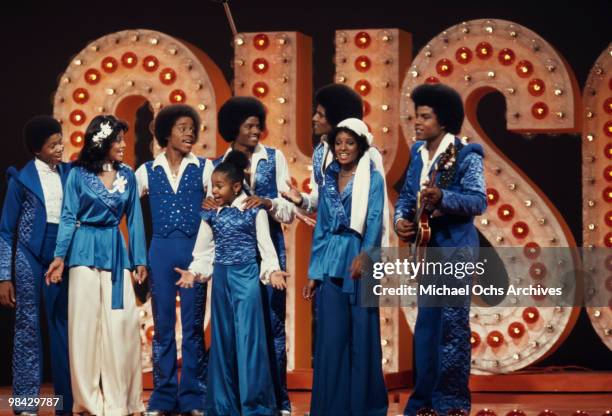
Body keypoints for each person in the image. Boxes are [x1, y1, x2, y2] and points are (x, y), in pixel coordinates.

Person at [394, 83, 487, 415]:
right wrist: (400, 222)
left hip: (457, 250)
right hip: (427, 249)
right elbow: (406, 199)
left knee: (452, 328)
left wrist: (444, 197)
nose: (417, 122)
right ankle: (423, 402)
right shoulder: (418, 153)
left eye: (425, 117)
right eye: (416, 116)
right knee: (427, 329)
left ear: (444, 121)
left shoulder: (465, 154)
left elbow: (479, 201)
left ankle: (451, 404)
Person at [46, 114, 148, 416]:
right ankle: (88, 403)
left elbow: (136, 221)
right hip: (83, 252)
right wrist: (60, 257)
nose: (123, 144)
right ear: (101, 141)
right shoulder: (77, 175)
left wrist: (139, 259)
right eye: (117, 139)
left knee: (122, 327)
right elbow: (67, 216)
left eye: (122, 138)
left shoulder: (128, 176)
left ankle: (122, 402)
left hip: (116, 253)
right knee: (85, 329)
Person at [176, 150, 289, 416]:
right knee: (224, 340)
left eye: (219, 186)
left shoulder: (253, 209)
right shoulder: (211, 213)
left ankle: (256, 405)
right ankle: (225, 405)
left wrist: (272, 270)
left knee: (249, 340)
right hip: (222, 279)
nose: (213, 191)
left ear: (236, 186)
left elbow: (265, 246)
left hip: (247, 277)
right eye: (211, 186)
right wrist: (194, 273)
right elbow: (204, 252)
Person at [205, 96, 294, 414]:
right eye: (249, 125)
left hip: (268, 248)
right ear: (234, 128)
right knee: (231, 330)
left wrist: (268, 203)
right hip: (232, 257)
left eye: (259, 124)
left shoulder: (274, 158)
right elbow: (210, 214)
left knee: (271, 324)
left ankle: (277, 398)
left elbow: (289, 211)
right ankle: (236, 398)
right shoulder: (217, 166)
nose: (256, 130)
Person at [305, 118, 388, 416]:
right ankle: (332, 408)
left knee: (363, 337)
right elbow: (322, 228)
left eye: (349, 143)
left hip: (359, 258)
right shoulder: (327, 179)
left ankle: (365, 407)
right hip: (330, 259)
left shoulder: (373, 179)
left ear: (361, 146)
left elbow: (375, 220)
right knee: (331, 340)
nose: (342, 148)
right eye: (338, 142)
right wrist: (314, 273)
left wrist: (366, 256)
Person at [135, 104, 212, 416]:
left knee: (193, 328)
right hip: (160, 254)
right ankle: (163, 397)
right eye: (182, 127)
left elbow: (222, 204)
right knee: (163, 327)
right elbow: (123, 206)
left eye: (192, 127)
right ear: (166, 134)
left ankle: (194, 397)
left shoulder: (205, 168)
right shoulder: (146, 171)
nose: (189, 133)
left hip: (193, 256)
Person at [0, 116, 73, 415]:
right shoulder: (21, 179)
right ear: (36, 149)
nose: (60, 148)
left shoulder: (70, 174)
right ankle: (26, 403)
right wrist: (4, 276)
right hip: (29, 257)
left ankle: (66, 403)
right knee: (28, 327)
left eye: (60, 142)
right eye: (52, 144)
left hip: (61, 257)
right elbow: (6, 230)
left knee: (62, 327)